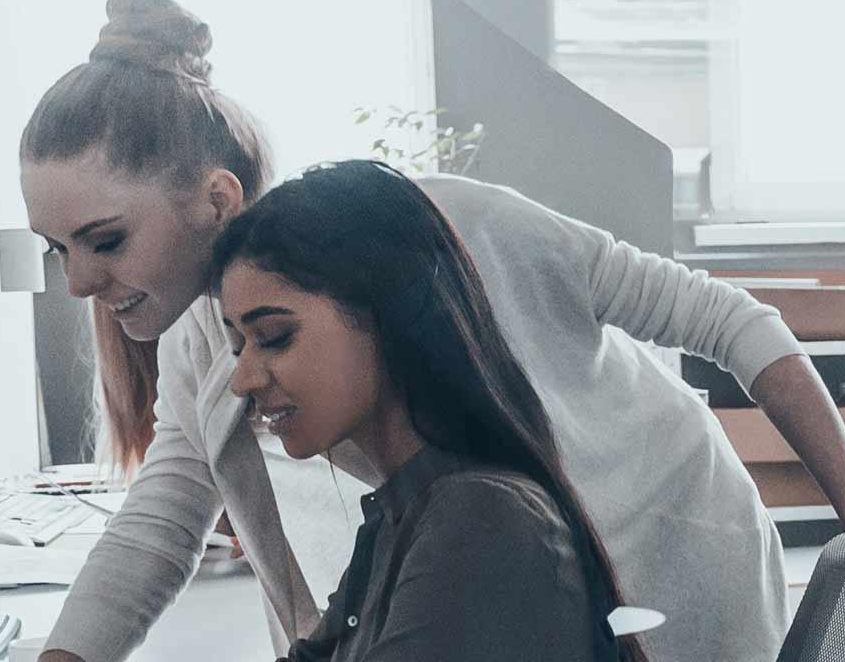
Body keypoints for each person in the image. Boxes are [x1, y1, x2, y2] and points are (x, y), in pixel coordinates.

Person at [21, 0, 845, 662]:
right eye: (57, 248)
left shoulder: (442, 231)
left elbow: (726, 317)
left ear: (217, 200)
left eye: (103, 239)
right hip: (491, 582)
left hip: (659, 555)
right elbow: (158, 529)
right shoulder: (210, 348)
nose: (78, 282)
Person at [210, 161, 641, 662]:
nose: (243, 380)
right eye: (239, 346)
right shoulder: (401, 516)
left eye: (275, 337)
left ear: (387, 311)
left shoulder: (481, 520)